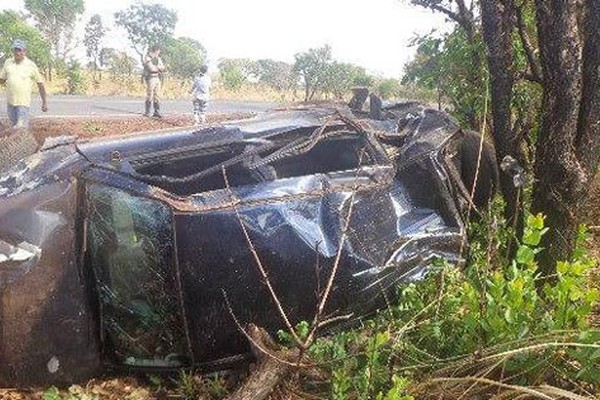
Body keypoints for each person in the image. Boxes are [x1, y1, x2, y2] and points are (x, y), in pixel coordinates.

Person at [0, 39, 48, 128]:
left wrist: (44, 102)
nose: (17, 53)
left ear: (24, 51)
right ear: (13, 51)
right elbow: (2, 79)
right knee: (13, 128)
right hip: (10, 103)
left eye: (19, 50)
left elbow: (40, 84)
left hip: (23, 103)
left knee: (21, 128)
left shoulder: (31, 65)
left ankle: (25, 141)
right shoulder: (8, 62)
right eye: (15, 50)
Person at [143, 45, 166, 118]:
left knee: (157, 95)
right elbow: (151, 68)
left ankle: (157, 111)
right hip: (151, 77)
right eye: (158, 51)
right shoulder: (148, 58)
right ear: (155, 51)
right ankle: (147, 112)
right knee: (150, 94)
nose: (159, 53)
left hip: (157, 77)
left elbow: (163, 67)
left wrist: (158, 67)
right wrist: (158, 67)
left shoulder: (158, 58)